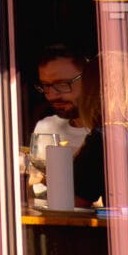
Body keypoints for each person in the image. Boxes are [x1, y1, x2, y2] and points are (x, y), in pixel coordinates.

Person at [30, 46, 104, 208]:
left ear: (89, 80)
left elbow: (77, 199)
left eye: (63, 84)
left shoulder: (104, 135)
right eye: (45, 86)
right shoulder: (46, 127)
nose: (52, 95)